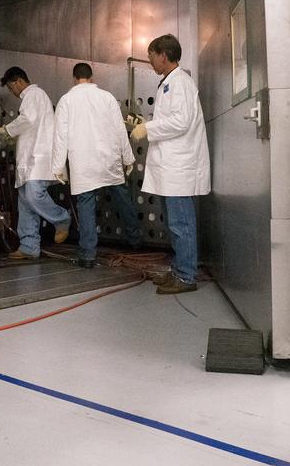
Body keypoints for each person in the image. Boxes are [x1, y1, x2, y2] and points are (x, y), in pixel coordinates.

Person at [129, 35, 209, 294]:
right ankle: (178, 270)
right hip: (170, 167)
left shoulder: (180, 83)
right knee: (174, 222)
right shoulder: (169, 84)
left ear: (164, 54)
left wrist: (147, 128)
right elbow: (172, 120)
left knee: (181, 223)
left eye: (151, 55)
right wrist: (145, 123)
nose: (150, 60)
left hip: (179, 167)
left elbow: (181, 122)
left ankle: (186, 277)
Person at [50, 63, 142, 268]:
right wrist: (128, 158)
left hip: (83, 163)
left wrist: (58, 167)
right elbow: (120, 130)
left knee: (86, 205)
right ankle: (135, 241)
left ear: (74, 78)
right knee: (122, 198)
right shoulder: (107, 97)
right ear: (91, 77)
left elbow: (60, 136)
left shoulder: (66, 100)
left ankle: (88, 255)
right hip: (109, 159)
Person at [0, 67, 70, 260]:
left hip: (39, 157)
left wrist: (6, 130)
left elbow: (28, 119)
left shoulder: (33, 93)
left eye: (11, 88)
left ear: (18, 81)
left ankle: (61, 218)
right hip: (29, 159)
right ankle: (29, 245)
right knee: (26, 203)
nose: (13, 92)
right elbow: (30, 125)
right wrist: (12, 135)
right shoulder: (34, 98)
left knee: (34, 195)